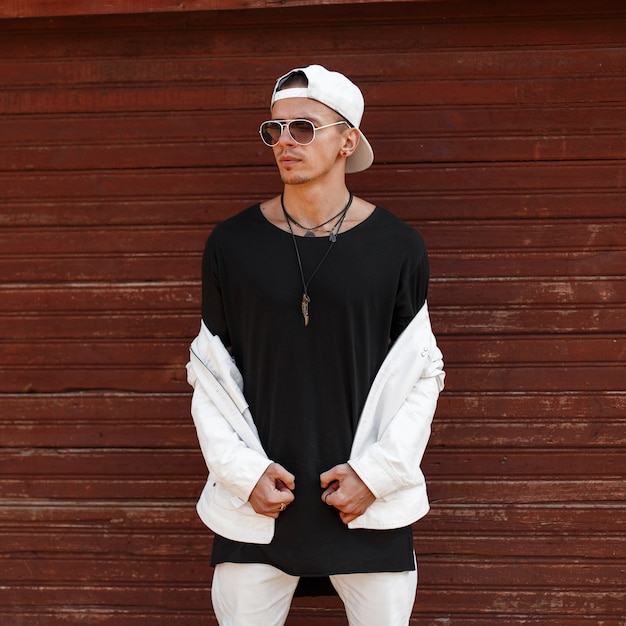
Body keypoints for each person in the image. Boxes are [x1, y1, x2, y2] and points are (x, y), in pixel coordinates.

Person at [187, 64, 445, 626]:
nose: (284, 142)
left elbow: (422, 376)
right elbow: (207, 374)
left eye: (303, 128)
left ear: (347, 140)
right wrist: (242, 473)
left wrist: (376, 476)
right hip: (258, 505)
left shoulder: (398, 247)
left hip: (367, 505)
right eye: (273, 129)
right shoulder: (231, 245)